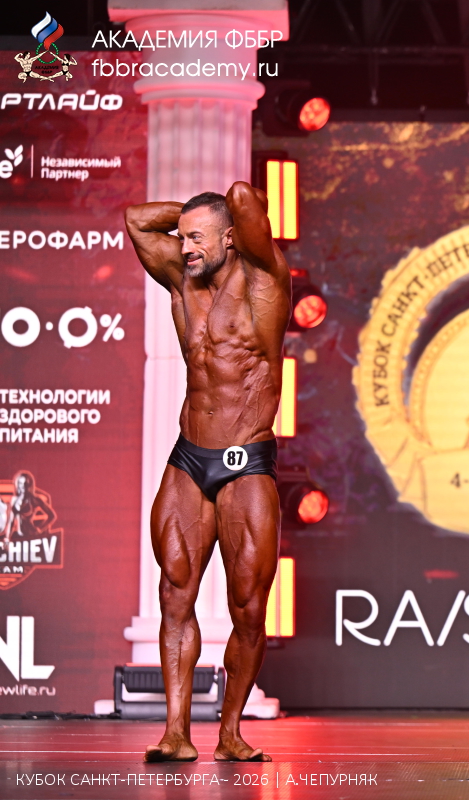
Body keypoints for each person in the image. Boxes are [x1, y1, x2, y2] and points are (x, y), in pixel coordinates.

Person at [125, 183, 291, 762]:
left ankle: (230, 733)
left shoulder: (266, 281)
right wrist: (191, 220)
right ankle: (175, 733)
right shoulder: (183, 279)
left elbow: (242, 197)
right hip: (189, 459)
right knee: (175, 594)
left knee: (249, 608)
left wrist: (213, 217)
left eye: (198, 238)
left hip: (247, 462)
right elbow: (137, 220)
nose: (185, 246)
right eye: (183, 238)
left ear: (231, 238)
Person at [4, 471, 56, 543]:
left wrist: (40, 529)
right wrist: (7, 537)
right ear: (17, 484)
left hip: (32, 534)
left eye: (25, 484)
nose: (23, 486)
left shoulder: (34, 500)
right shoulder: (14, 500)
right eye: (21, 483)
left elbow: (52, 516)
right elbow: (11, 521)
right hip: (19, 535)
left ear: (29, 485)